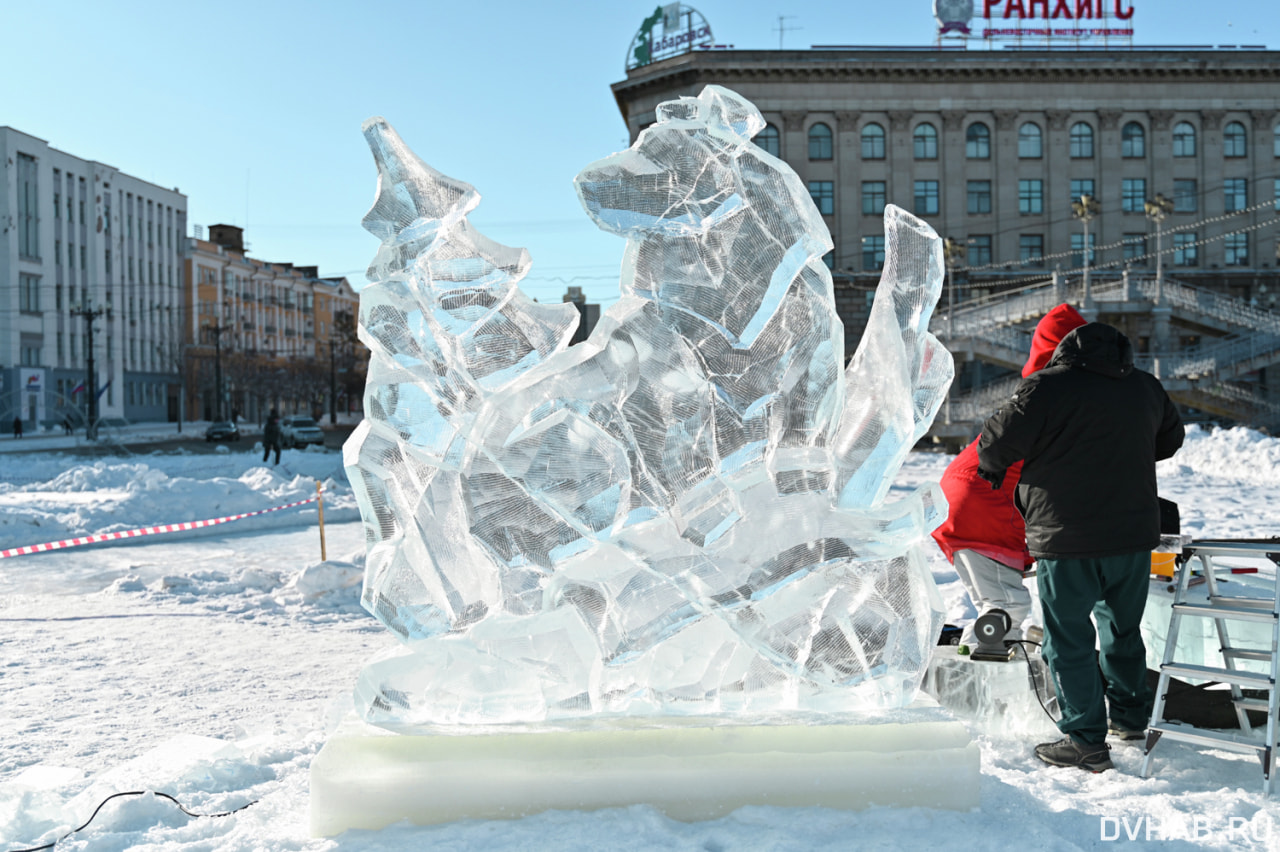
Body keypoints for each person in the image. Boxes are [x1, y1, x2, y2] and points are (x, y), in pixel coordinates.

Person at [977, 321, 1184, 773]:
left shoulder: (1048, 387)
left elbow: (994, 443)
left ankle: (1086, 741)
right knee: (1122, 630)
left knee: (1068, 639)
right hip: (1131, 536)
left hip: (1065, 536)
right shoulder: (1146, 387)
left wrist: (995, 470)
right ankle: (1129, 721)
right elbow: (1170, 440)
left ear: (1066, 352)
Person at [932, 304, 1086, 647]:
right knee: (1004, 607)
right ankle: (984, 676)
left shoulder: (1036, 388)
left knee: (998, 605)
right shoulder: (1066, 395)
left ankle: (994, 657)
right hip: (989, 501)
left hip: (965, 494)